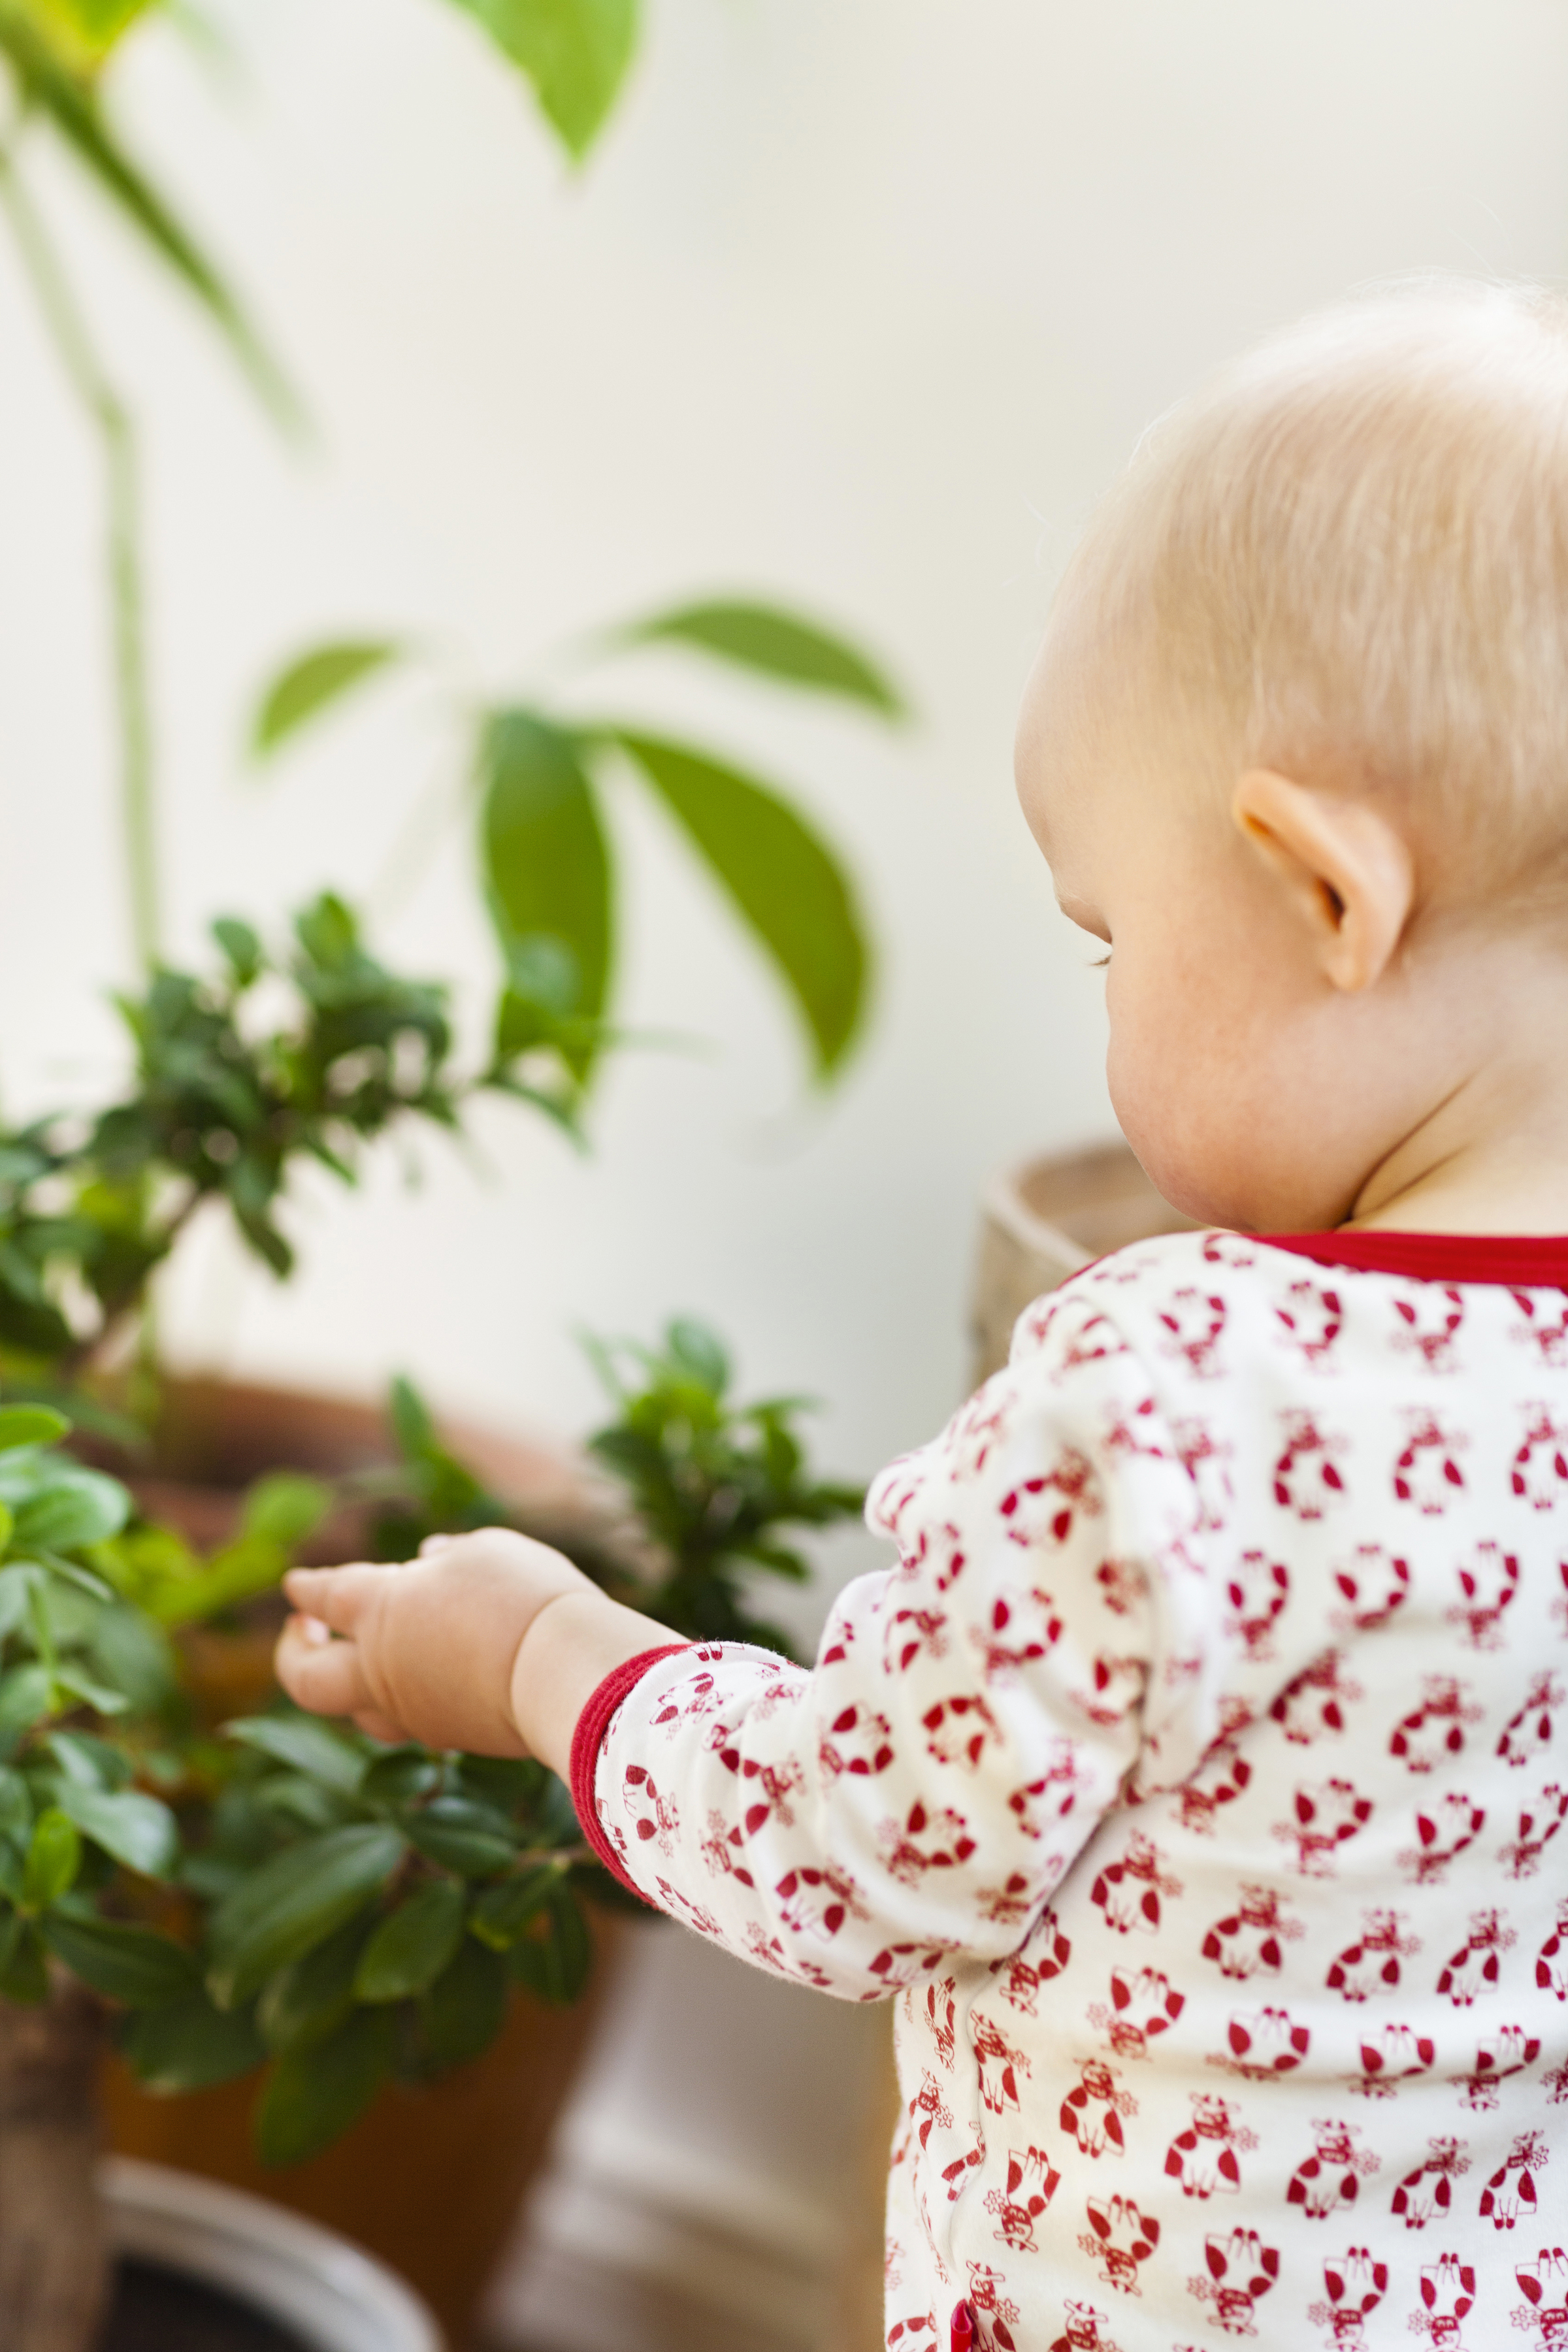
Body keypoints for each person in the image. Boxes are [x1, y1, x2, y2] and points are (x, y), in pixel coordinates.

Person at [277, 281, 1568, 2352]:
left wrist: (543, 1659)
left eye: (1109, 939)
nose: (1108, 996)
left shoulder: (1177, 1400)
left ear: (1328, 898)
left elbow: (867, 1847)